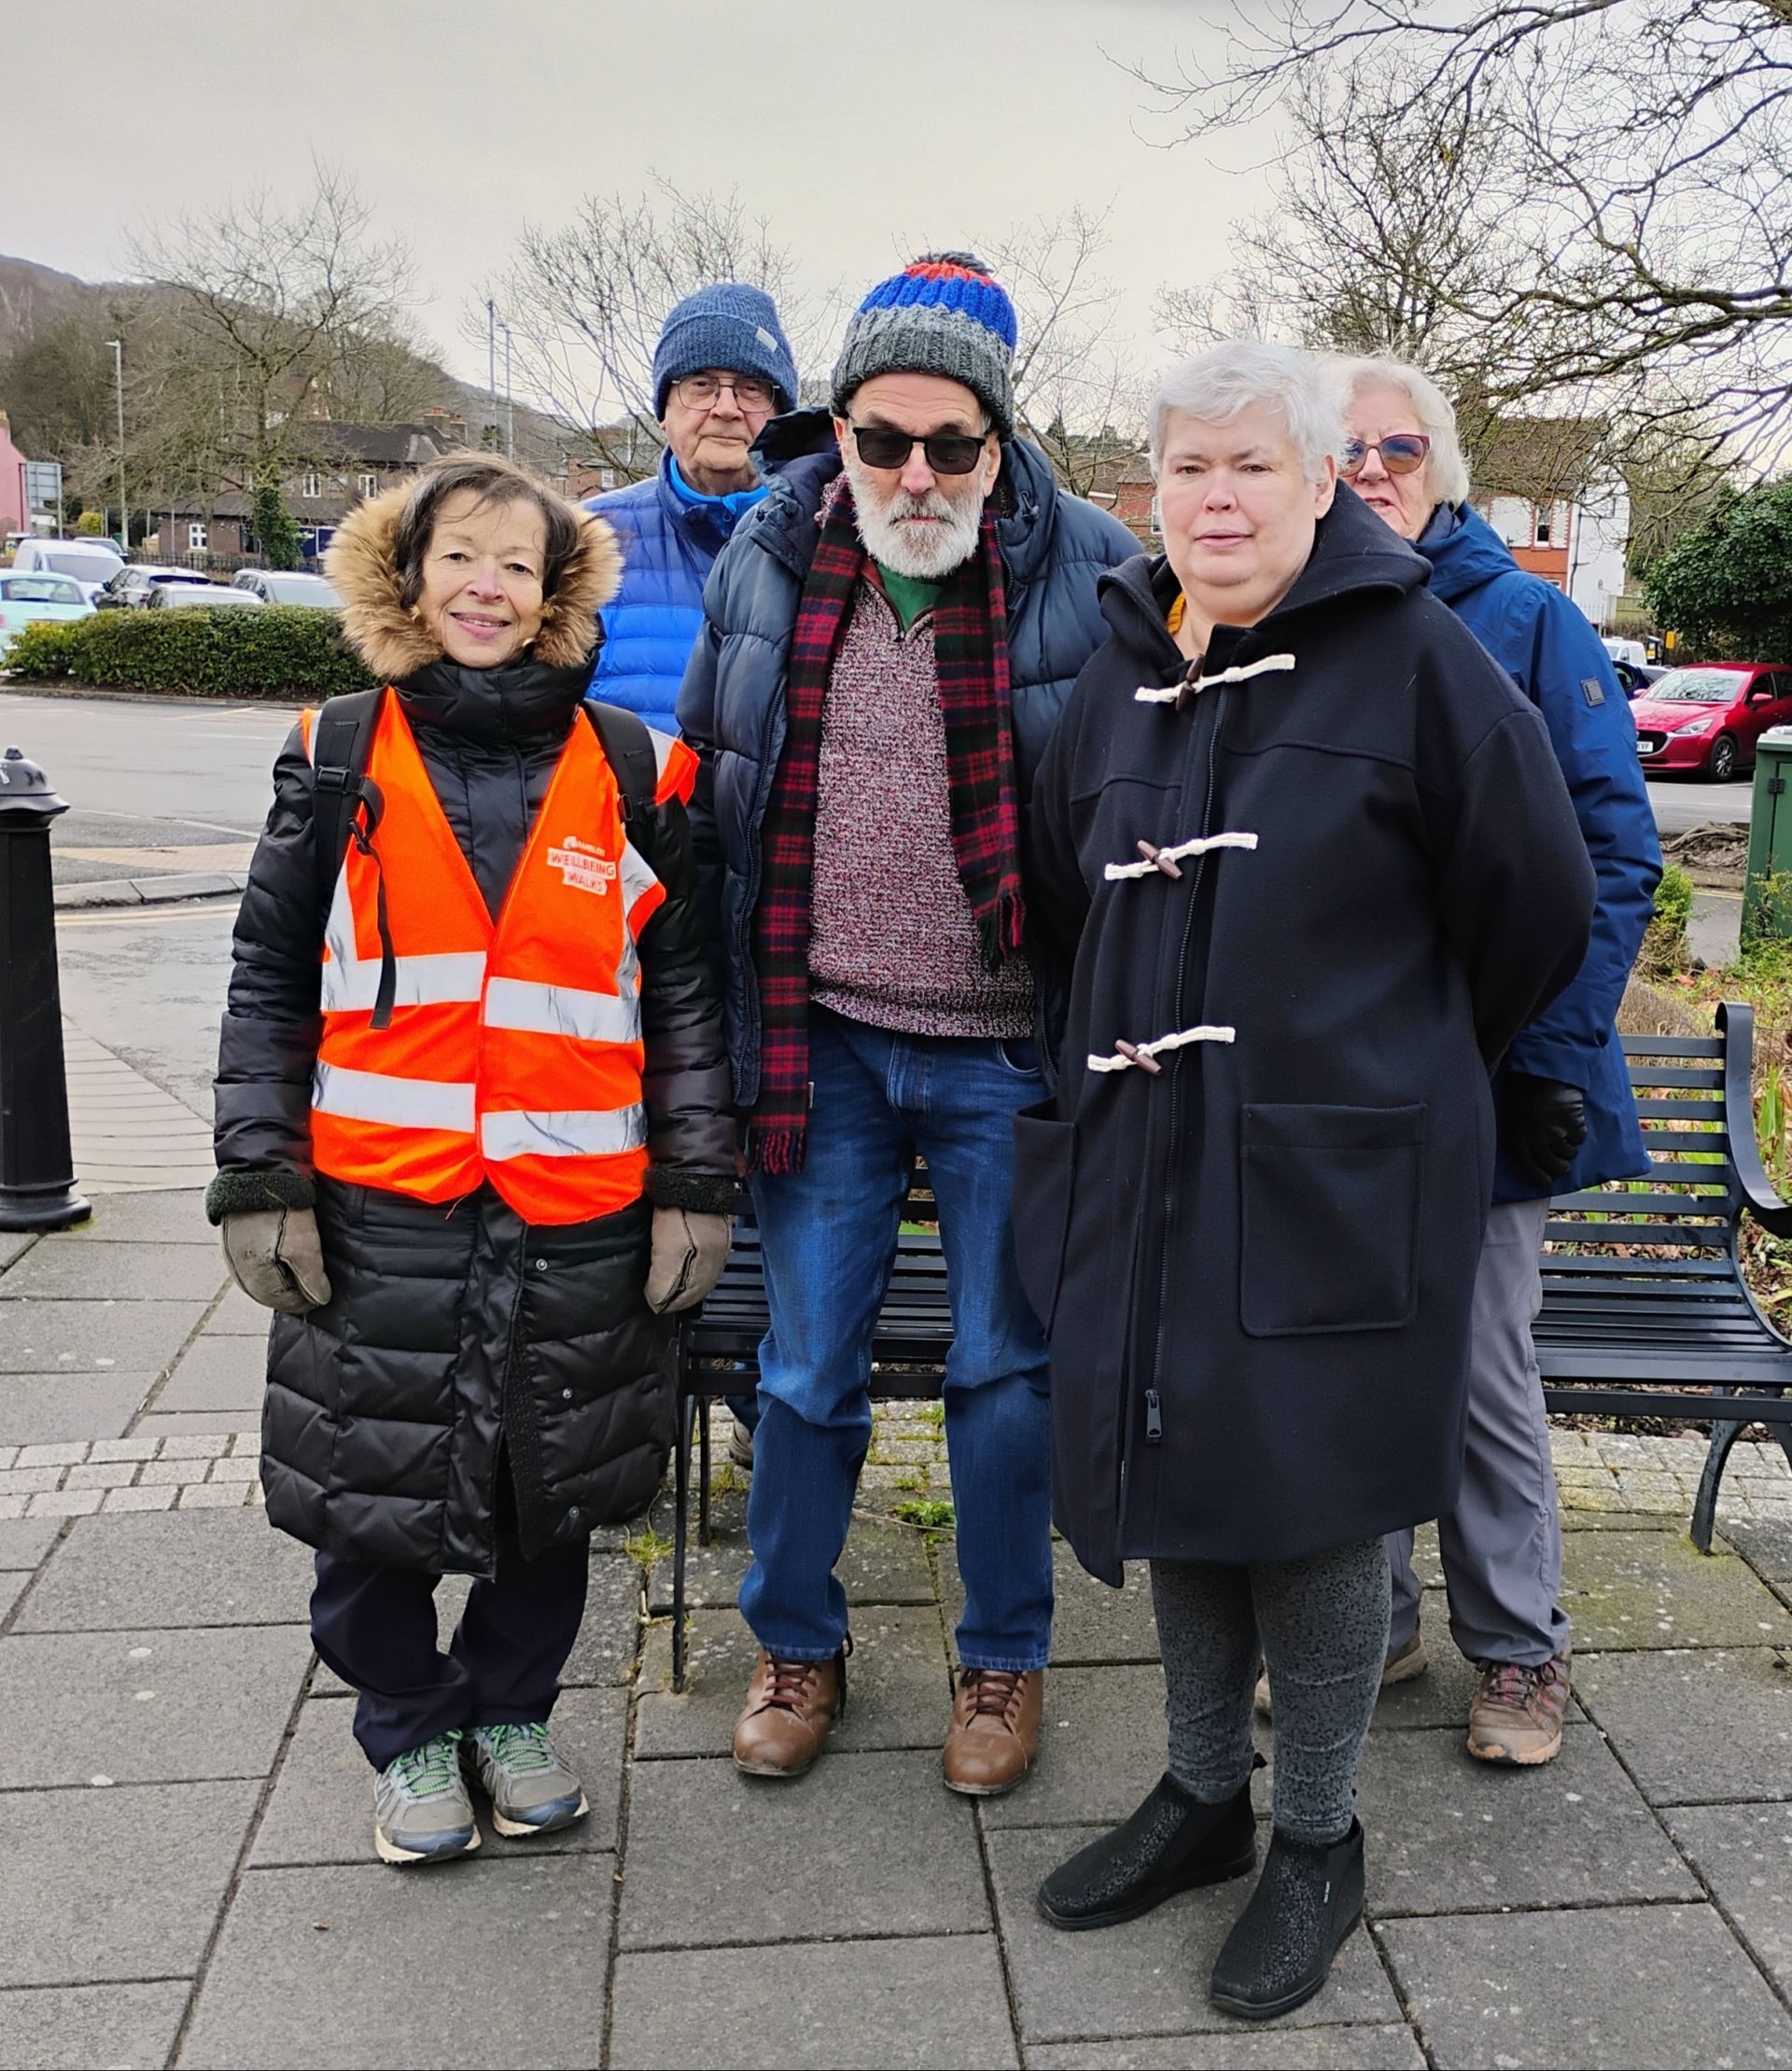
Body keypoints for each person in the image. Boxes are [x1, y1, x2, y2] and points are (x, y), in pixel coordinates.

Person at [1019, 342, 1595, 2018]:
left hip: (1337, 1164)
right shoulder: (1124, 665)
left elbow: (1536, 900)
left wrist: (1384, 1060)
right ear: (1152, 490)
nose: (1215, 495)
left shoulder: (1416, 657)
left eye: (1253, 466)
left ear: (1323, 482)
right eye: (1187, 466)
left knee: (1323, 1499)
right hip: (1145, 1150)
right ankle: (1206, 1793)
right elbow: (1072, 899)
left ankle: (1321, 1837)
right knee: (1173, 1465)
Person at [208, 455, 736, 1867]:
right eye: (460, 558)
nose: (487, 586)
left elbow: (685, 997)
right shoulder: (336, 756)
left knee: (544, 1485)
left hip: (578, 1202)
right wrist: (259, 1171)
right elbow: (267, 977)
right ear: (407, 576)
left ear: (558, 589)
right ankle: (408, 1724)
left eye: (518, 562)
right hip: (380, 1205)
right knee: (369, 1494)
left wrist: (695, 1179)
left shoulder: (634, 769)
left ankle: (512, 1709)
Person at [679, 252, 1139, 1794]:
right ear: (840, 430)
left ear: (1000, 440)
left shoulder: (1095, 567)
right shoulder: (764, 557)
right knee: (808, 1364)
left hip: (1012, 1042)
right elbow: (710, 791)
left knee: (1006, 1372)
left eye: (952, 441)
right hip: (827, 1045)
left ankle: (1003, 1655)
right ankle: (795, 1638)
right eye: (886, 439)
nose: (918, 470)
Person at [1330, 356, 1661, 1764]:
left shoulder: (1527, 619)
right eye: (1342, 452)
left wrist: (1549, 1058)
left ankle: (1520, 1647)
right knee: (1346, 1360)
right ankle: (1378, 1620)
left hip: (1491, 1070)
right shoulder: (1310, 621)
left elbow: (1616, 851)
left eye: (1396, 448)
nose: (1371, 474)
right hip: (1344, 1077)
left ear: (1444, 465)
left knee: (1476, 1368)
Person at [584, 283, 799, 735]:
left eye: (752, 388)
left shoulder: (828, 540)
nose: (726, 408)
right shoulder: (586, 539)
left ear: (781, 414)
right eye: (700, 386)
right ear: (664, 409)